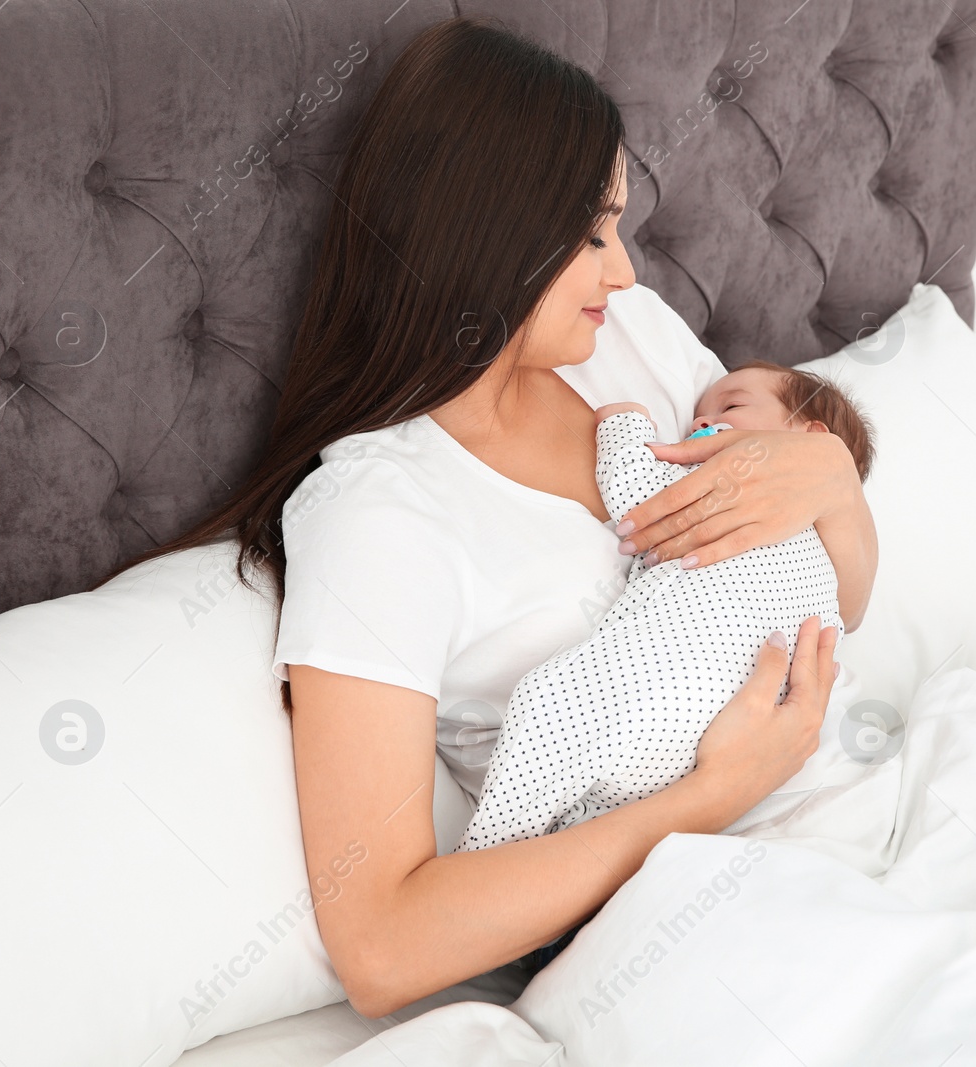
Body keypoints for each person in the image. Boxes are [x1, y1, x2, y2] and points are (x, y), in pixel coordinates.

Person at [112, 16, 877, 1016]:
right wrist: (710, 797)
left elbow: (831, 595)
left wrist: (831, 477)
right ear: (481, 233)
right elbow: (382, 943)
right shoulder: (380, 512)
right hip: (672, 921)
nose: (625, 272)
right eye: (590, 235)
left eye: (619, 227)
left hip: (837, 813)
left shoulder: (627, 345)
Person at [456, 364, 876, 854]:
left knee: (549, 703)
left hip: (672, 710)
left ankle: (488, 854)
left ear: (808, 437)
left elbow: (638, 498)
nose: (702, 423)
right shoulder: (828, 555)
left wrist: (625, 424)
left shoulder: (739, 481)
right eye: (698, 415)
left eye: (731, 407)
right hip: (734, 736)